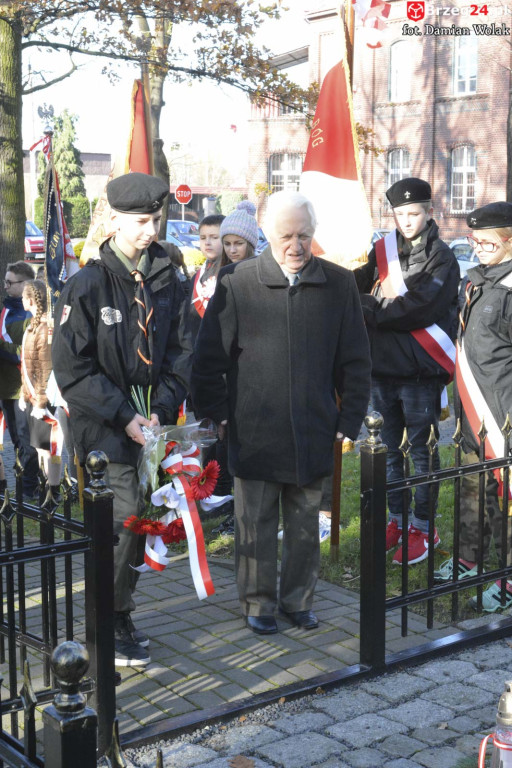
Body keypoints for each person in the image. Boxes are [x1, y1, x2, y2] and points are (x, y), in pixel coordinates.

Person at [191, 190, 371, 635]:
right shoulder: (237, 282)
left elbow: (355, 360)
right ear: (268, 234)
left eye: (304, 235)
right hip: (254, 428)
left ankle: (298, 601)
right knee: (255, 522)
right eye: (287, 235)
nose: (296, 245)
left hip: (314, 427)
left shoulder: (338, 283)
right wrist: (219, 413)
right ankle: (257, 603)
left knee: (305, 523)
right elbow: (208, 358)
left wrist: (348, 420)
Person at [52, 172, 193, 667]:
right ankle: (105, 621)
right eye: (140, 221)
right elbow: (72, 368)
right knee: (124, 517)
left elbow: (182, 350)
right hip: (106, 427)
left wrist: (161, 407)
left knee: (144, 517)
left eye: (156, 220)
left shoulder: (169, 279)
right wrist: (124, 413)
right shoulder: (87, 284)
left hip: (151, 422)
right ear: (113, 220)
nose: (150, 231)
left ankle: (120, 608)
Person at [354, 178, 460, 566]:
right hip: (381, 368)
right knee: (388, 454)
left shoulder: (442, 258)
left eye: (414, 213)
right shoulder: (382, 251)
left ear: (429, 212)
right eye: (400, 214)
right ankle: (397, 521)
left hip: (419, 372)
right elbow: (357, 283)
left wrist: (370, 309)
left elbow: (419, 308)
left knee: (421, 453)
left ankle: (423, 527)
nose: (407, 220)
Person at [434, 202, 512, 612]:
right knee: (471, 486)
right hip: (472, 413)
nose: (478, 248)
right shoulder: (475, 281)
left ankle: (509, 577)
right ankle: (469, 558)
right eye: (474, 241)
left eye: (488, 242)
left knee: (505, 498)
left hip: (503, 415)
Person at [19, 280, 63, 501]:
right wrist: (23, 393)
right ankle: (44, 485)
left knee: (49, 448)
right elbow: (28, 364)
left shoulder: (45, 328)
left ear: (30, 299)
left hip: (43, 400)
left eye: (23, 296)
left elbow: (45, 368)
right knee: (39, 448)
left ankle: (53, 491)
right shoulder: (32, 324)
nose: (21, 300)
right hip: (32, 396)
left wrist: (40, 402)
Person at [0, 261, 39, 498]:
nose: (5, 286)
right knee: (15, 440)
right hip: (6, 386)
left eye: (10, 282)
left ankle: (30, 489)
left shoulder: (32, 314)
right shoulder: (4, 312)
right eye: (5, 282)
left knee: (29, 441)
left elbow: (28, 352)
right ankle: (22, 483)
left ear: (25, 284)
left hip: (26, 388)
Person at [189, 213, 226, 344]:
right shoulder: (198, 275)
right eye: (203, 238)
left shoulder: (230, 273)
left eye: (214, 237)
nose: (207, 243)